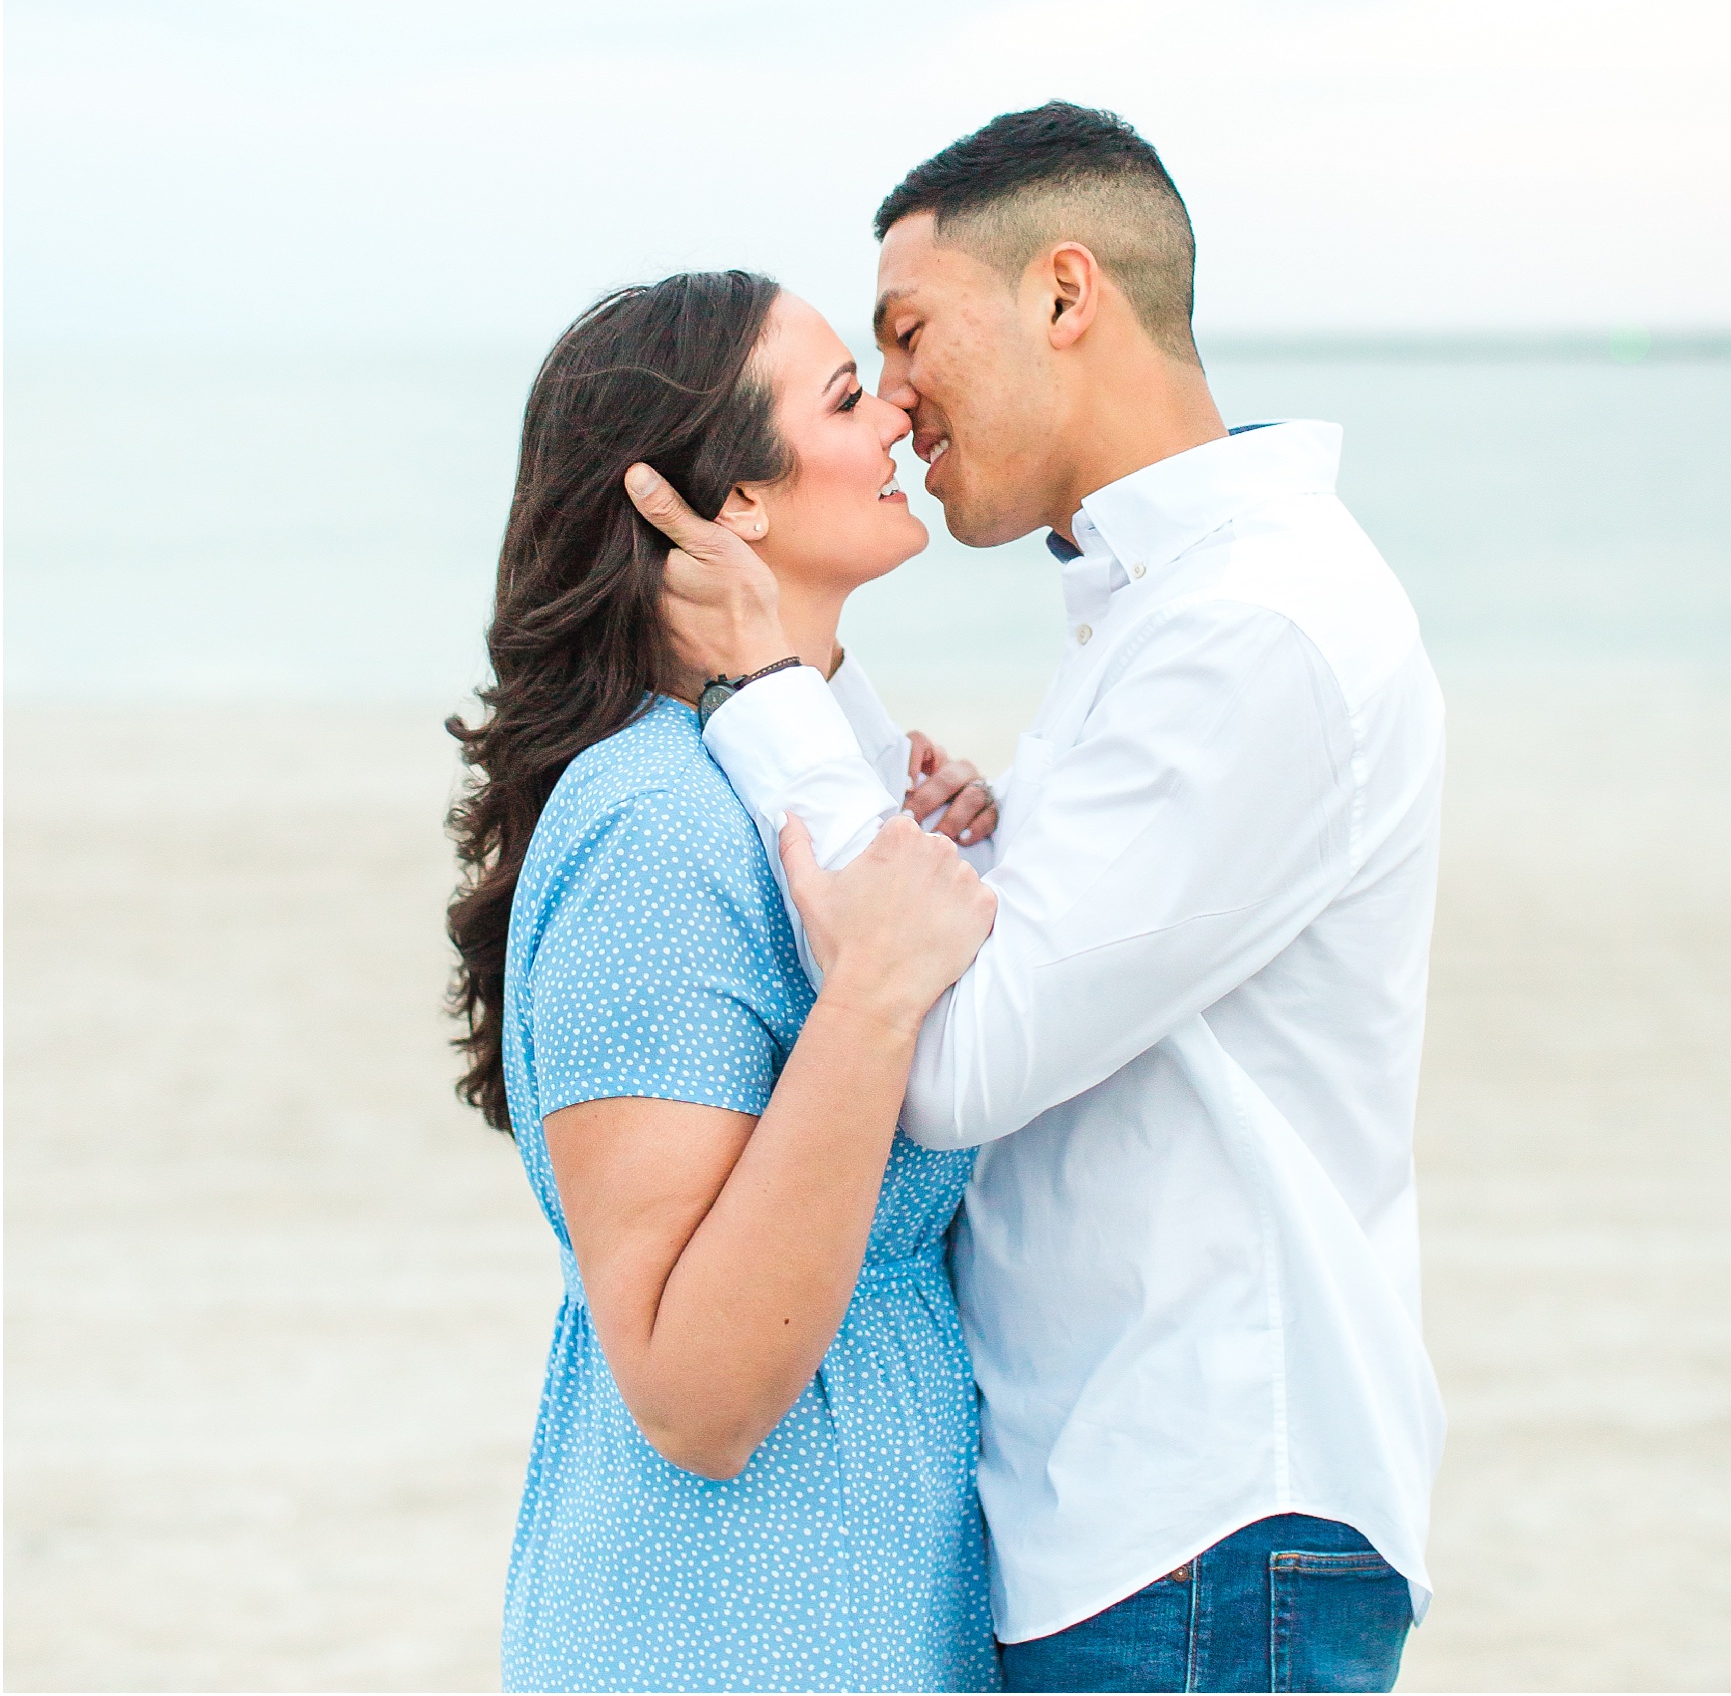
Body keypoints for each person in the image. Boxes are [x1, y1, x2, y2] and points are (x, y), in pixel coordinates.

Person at [627, 102, 1446, 1696]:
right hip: (1149, 1522)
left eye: (911, 335)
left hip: (1203, 1516)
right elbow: (1039, 989)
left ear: (1068, 296)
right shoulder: (1163, 615)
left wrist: (767, 688)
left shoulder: (1256, 627)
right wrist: (929, 811)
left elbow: (949, 1062)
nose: (900, 402)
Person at [446, 269, 1004, 1695]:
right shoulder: (652, 823)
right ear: (730, 504)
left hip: (866, 1595)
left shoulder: (808, 800)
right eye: (839, 396)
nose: (890, 411)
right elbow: (691, 1391)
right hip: (724, 1626)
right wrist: (875, 994)